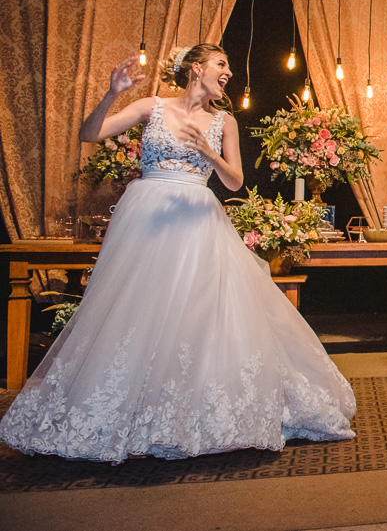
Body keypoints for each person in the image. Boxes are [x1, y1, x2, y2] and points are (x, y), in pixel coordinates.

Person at [0, 45, 356, 462]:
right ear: (196, 67)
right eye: (221, 64)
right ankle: (129, 408)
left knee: (197, 314)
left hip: (197, 220)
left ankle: (191, 415)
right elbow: (88, 134)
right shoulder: (152, 107)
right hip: (145, 218)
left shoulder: (225, 121)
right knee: (139, 310)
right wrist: (113, 93)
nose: (227, 73)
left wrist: (207, 149)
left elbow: (236, 181)